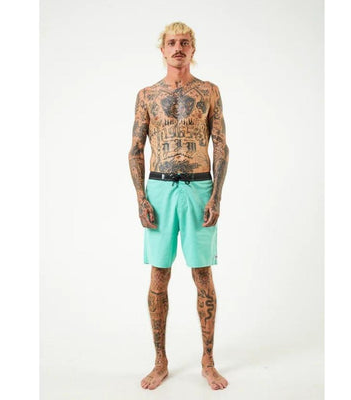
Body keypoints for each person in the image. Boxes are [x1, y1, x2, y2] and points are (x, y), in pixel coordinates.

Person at [128, 21, 229, 390]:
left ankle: (208, 361)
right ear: (162, 49)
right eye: (171, 42)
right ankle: (160, 360)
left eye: (185, 42)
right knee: (159, 274)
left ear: (193, 49)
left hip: (199, 187)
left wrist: (216, 195)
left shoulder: (210, 91)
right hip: (159, 189)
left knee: (202, 274)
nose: (178, 48)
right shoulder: (146, 95)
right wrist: (141, 197)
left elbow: (221, 144)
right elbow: (135, 149)